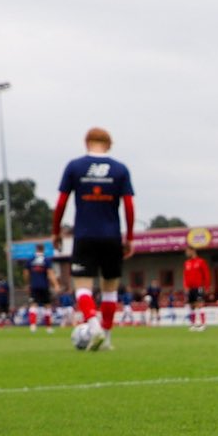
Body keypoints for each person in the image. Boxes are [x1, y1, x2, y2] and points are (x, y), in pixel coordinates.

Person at [52, 126, 135, 349]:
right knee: (110, 290)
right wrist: (130, 237)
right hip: (111, 236)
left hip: (85, 235)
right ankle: (106, 338)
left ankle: (92, 323)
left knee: (83, 287)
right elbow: (128, 206)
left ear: (86, 142)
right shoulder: (120, 169)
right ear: (109, 144)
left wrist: (56, 231)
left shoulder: (75, 166)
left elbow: (61, 202)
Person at [26, 248, 54, 328]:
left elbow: (26, 273)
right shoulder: (46, 260)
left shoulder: (30, 260)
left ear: (36, 249)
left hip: (34, 285)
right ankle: (48, 326)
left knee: (33, 304)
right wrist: (55, 285)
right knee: (47, 305)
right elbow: (50, 273)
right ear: (43, 250)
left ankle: (33, 325)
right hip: (44, 285)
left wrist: (28, 283)